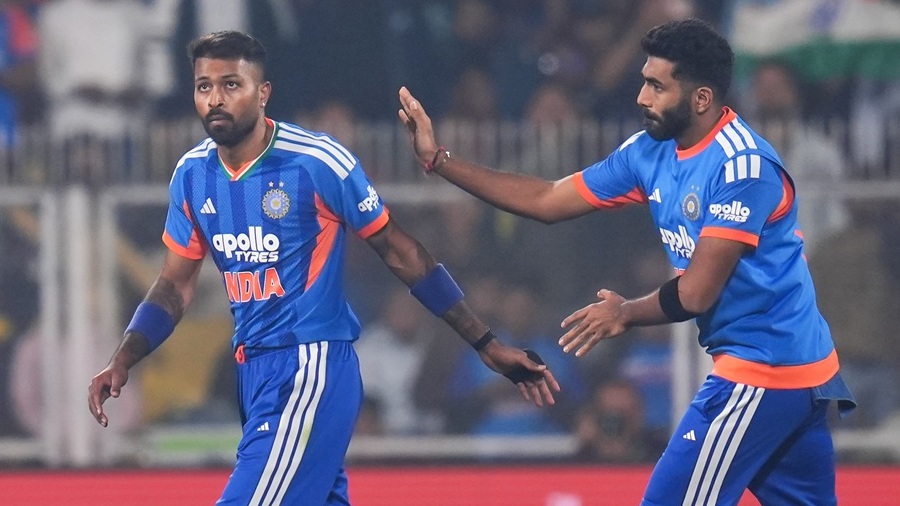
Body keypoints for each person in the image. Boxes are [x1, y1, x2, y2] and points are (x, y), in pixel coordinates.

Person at [87, 30, 559, 505]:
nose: (215, 99)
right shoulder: (192, 174)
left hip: (309, 367)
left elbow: (401, 251)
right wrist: (123, 358)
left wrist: (486, 343)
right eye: (203, 86)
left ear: (263, 92)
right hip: (253, 373)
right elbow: (174, 284)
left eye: (231, 84)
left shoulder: (316, 162)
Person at [399, 18, 855, 505]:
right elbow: (547, 199)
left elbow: (697, 293)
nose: (641, 97)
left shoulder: (743, 168)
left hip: (765, 372)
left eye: (657, 86)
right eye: (643, 81)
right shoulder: (648, 152)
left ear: (701, 98)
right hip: (793, 370)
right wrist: (439, 160)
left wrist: (625, 312)